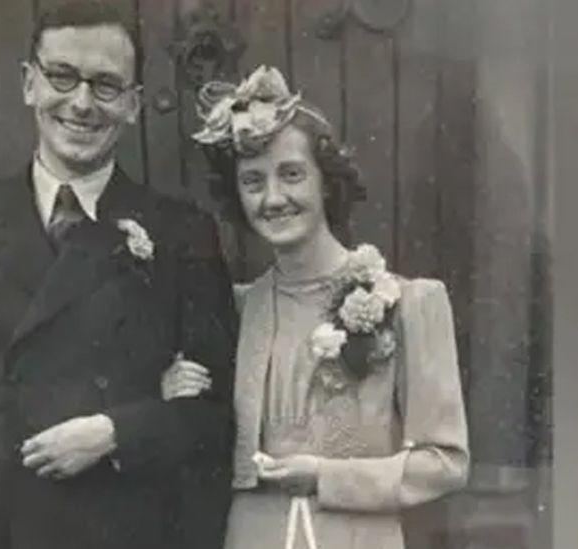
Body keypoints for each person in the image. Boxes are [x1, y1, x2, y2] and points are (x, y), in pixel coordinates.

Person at [0, 2, 237, 548]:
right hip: (1, 526)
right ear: (29, 83)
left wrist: (114, 433)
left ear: (132, 105)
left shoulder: (181, 232)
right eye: (62, 76)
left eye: (106, 86)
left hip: (127, 526)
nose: (81, 104)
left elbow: (213, 418)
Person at [166, 66, 470, 549]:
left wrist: (327, 477)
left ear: (326, 182)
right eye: (252, 181)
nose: (273, 198)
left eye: (291, 175)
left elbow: (446, 463)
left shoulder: (411, 303)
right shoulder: (235, 310)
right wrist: (172, 390)